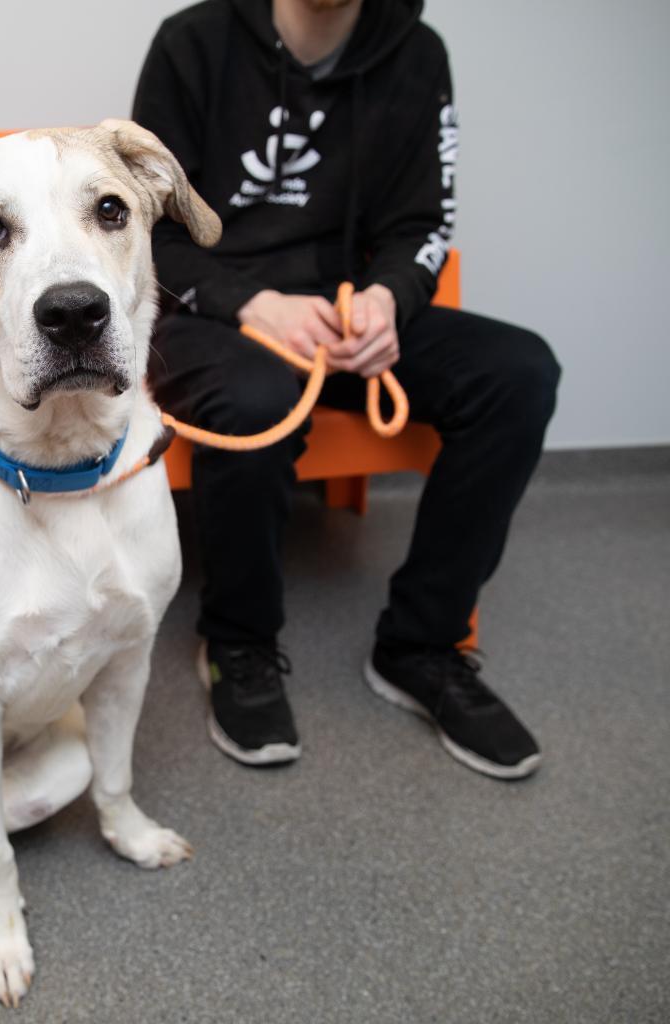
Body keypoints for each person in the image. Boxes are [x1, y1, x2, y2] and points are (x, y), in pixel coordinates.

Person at [132, 0, 561, 778]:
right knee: (258, 397)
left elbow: (421, 224)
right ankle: (239, 642)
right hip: (210, 315)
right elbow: (147, 230)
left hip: (340, 312)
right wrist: (253, 305)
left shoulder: (417, 54)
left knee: (518, 374)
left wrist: (389, 297)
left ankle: (421, 646)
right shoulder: (191, 43)